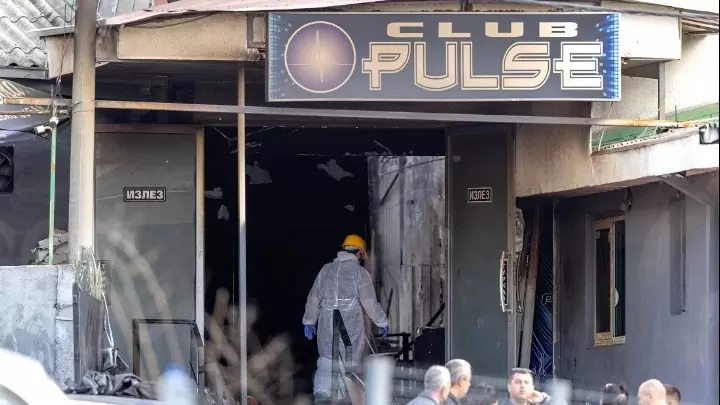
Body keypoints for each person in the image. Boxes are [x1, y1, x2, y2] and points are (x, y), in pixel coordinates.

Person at [302, 234, 389, 401]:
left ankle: (322, 397)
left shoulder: (326, 270)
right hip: (350, 324)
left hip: (327, 323)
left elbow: (314, 298)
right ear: (359, 252)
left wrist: (309, 321)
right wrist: (382, 321)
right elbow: (369, 302)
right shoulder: (360, 272)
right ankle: (343, 398)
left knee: (326, 360)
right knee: (348, 364)